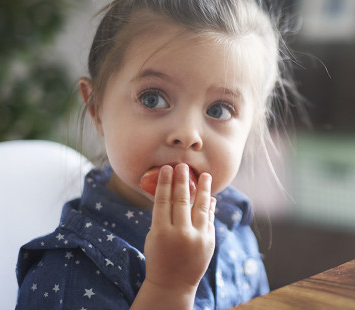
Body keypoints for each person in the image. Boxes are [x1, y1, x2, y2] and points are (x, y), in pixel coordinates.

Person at [15, 0, 302, 309]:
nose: (188, 134)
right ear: (97, 108)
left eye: (219, 109)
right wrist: (169, 287)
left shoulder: (233, 226)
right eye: (153, 99)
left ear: (252, 128)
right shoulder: (68, 272)